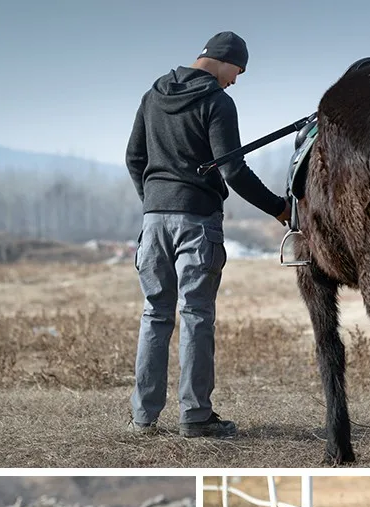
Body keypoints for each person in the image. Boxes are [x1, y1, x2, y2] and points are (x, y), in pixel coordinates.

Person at [125, 30, 291, 439]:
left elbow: (134, 158)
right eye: (239, 70)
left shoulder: (152, 96)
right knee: (196, 316)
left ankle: (143, 419)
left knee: (154, 315)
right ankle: (195, 417)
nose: (236, 79)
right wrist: (279, 208)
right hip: (197, 220)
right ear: (224, 59)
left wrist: (154, 200)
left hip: (153, 220)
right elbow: (232, 170)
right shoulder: (217, 102)